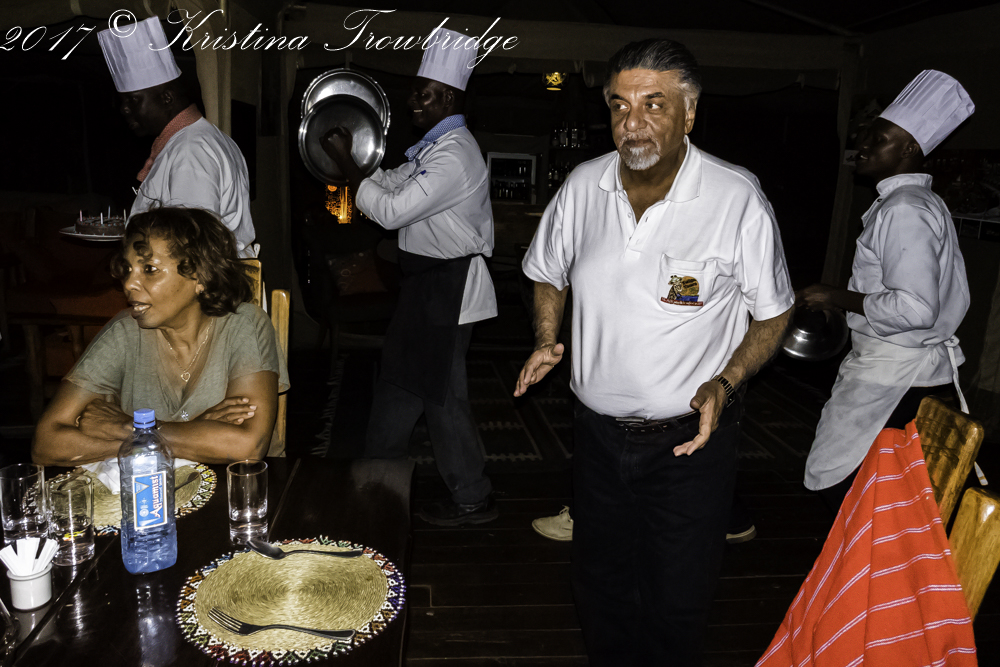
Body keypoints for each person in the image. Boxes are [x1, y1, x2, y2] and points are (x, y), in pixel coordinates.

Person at [515, 39, 794, 665]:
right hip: (596, 437)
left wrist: (727, 381)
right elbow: (547, 270)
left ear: (689, 114)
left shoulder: (735, 197)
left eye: (653, 105)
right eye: (619, 105)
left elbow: (775, 311)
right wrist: (545, 337)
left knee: (677, 596)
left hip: (689, 443)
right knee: (599, 585)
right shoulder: (583, 186)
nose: (632, 122)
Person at [319, 28, 498, 526]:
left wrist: (345, 161)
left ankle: (472, 497)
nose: (413, 100)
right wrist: (357, 164)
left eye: (424, 93)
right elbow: (390, 183)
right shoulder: (433, 149)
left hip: (450, 289)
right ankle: (374, 477)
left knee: (441, 397)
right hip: (428, 287)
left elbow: (392, 210)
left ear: (450, 99)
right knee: (401, 383)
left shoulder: (455, 155)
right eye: (416, 91)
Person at [798, 70, 974, 510]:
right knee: (889, 492)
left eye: (879, 139)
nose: (863, 146)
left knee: (840, 485)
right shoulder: (920, 202)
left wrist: (835, 296)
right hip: (909, 370)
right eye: (866, 136)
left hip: (895, 374)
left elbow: (915, 308)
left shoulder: (905, 208)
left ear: (909, 149)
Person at [32, 207, 288, 466]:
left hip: (240, 486)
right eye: (128, 269)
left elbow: (247, 446)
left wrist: (127, 427)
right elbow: (46, 444)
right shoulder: (125, 331)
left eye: (149, 269)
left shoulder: (244, 324)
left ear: (201, 276)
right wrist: (174, 435)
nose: (128, 284)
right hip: (150, 486)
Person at [98, 17, 257, 258]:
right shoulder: (199, 137)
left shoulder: (190, 150)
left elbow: (188, 244)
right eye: (123, 101)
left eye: (133, 100)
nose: (125, 109)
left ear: (167, 98)